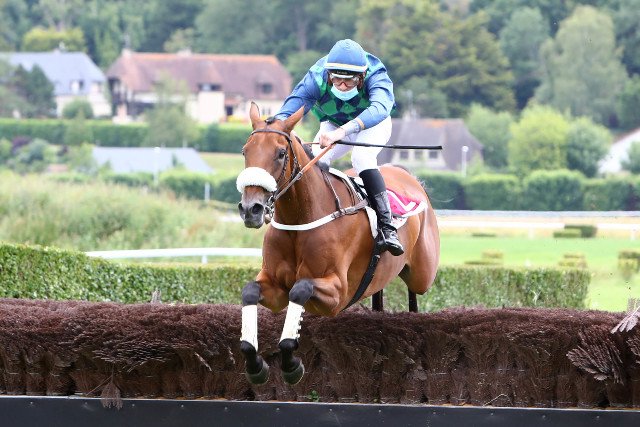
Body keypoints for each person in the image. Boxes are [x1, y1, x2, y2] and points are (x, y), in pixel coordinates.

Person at [274, 39, 403, 256]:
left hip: (372, 123)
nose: (342, 85)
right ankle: (314, 216)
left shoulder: (375, 73)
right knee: (317, 159)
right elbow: (289, 109)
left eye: (349, 81)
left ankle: (387, 226)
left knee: (361, 158)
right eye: (336, 79)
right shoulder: (317, 77)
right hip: (333, 122)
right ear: (329, 74)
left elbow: (380, 108)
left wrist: (343, 132)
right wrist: (279, 129)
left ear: (361, 76)